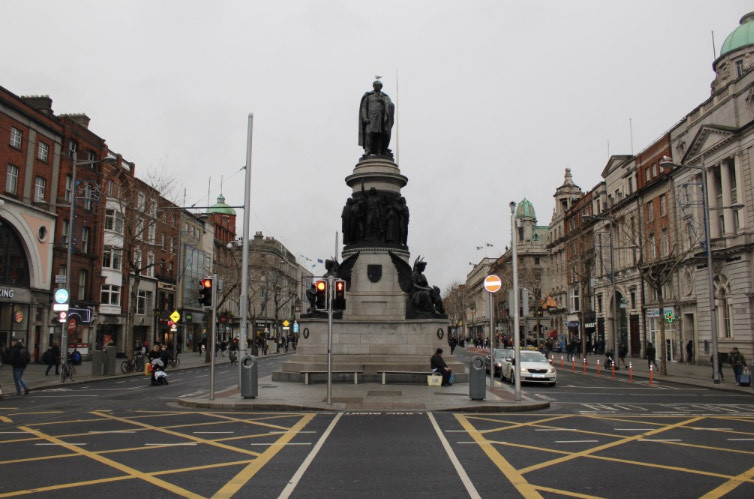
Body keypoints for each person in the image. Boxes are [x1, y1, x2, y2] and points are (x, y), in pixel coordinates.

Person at [358, 79, 395, 157]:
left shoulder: (385, 96)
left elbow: (390, 105)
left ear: (381, 87)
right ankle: (368, 150)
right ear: (373, 86)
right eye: (375, 85)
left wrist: (385, 102)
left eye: (378, 85)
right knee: (369, 134)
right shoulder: (368, 96)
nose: (376, 86)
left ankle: (379, 151)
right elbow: (364, 107)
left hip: (381, 119)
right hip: (370, 119)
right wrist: (364, 117)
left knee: (380, 135)